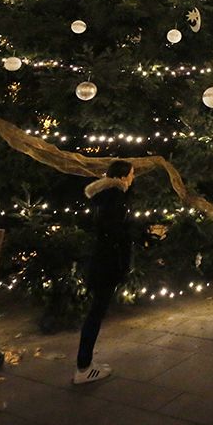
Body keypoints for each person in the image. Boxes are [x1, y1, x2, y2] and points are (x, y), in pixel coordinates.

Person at [73, 160, 134, 383]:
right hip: (107, 263)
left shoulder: (103, 197)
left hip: (99, 260)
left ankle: (85, 363)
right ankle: (83, 366)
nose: (133, 178)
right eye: (132, 174)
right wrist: (123, 263)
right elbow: (116, 234)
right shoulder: (115, 199)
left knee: (95, 312)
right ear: (123, 176)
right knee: (96, 313)